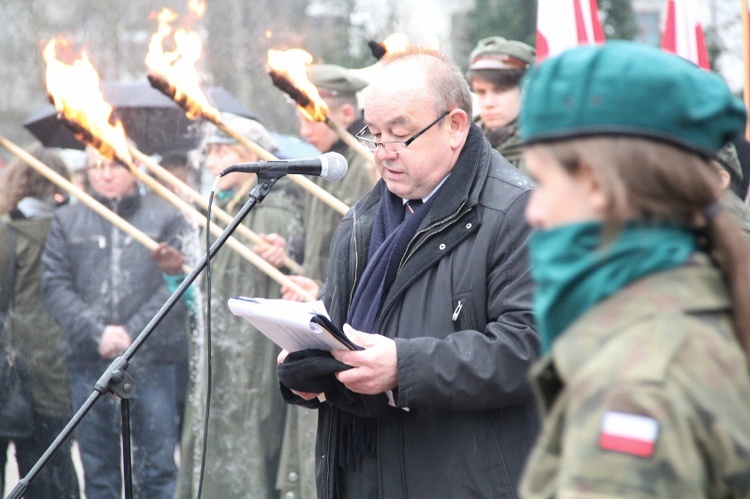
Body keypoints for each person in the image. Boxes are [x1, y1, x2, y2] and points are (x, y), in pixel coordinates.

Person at [277, 47, 540, 498]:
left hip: (459, 478)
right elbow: (339, 327)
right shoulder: (363, 219)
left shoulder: (517, 212)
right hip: (362, 469)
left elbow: (530, 349)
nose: (383, 154)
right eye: (374, 135)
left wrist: (405, 367)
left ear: (455, 127)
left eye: (400, 135)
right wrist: (307, 367)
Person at [516, 41, 750, 497]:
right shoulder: (706, 302)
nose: (534, 212)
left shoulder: (634, 387)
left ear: (597, 183)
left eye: (542, 182)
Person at [41, 147, 189, 499]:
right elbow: (55, 285)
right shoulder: (68, 219)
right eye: (97, 166)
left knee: (156, 467)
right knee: (99, 469)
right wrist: (97, 332)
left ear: (135, 169)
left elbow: (176, 286)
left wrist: (131, 334)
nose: (105, 174)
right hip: (89, 360)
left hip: (152, 360)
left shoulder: (167, 215)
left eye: (115, 165)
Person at [174, 113, 305, 499]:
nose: (211, 162)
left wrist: (288, 249)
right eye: (209, 152)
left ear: (249, 155)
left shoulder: (273, 208)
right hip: (221, 355)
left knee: (249, 455)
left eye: (221, 151)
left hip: (253, 361)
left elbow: (293, 261)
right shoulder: (225, 208)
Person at [270, 63, 378, 499]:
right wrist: (290, 251)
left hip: (347, 316)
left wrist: (323, 288)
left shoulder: (361, 168)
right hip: (320, 303)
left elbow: (361, 247)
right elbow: (321, 241)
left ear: (346, 112)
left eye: (308, 114)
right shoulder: (328, 167)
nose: (302, 126)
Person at [0, 145, 79, 498]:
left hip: (10, 362)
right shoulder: (74, 229)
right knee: (50, 464)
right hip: (56, 362)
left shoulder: (6, 233)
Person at [466, 36, 535, 173]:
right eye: (481, 91)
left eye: (500, 90)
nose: (489, 103)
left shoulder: (544, 149)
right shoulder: (464, 142)